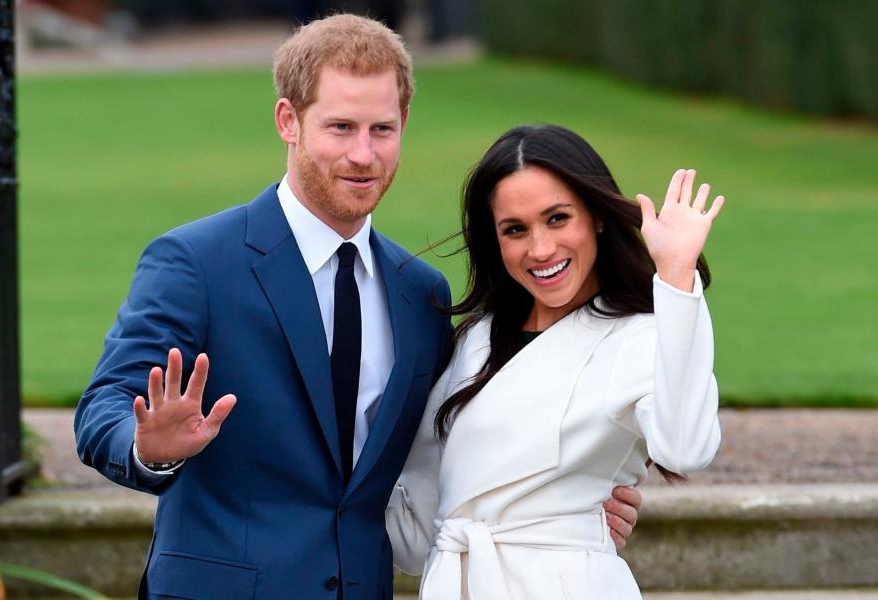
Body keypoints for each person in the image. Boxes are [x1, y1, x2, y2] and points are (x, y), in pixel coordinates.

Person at [74, 16, 641, 600]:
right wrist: (147, 450)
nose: (364, 155)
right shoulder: (196, 262)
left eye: (382, 129)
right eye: (341, 127)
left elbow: (457, 443)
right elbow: (102, 409)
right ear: (288, 121)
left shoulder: (421, 294)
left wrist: (569, 495)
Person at [386, 125, 724, 599]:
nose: (540, 249)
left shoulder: (639, 336)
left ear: (597, 217)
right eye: (515, 230)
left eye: (558, 218)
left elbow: (686, 448)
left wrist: (675, 276)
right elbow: (418, 530)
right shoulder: (474, 341)